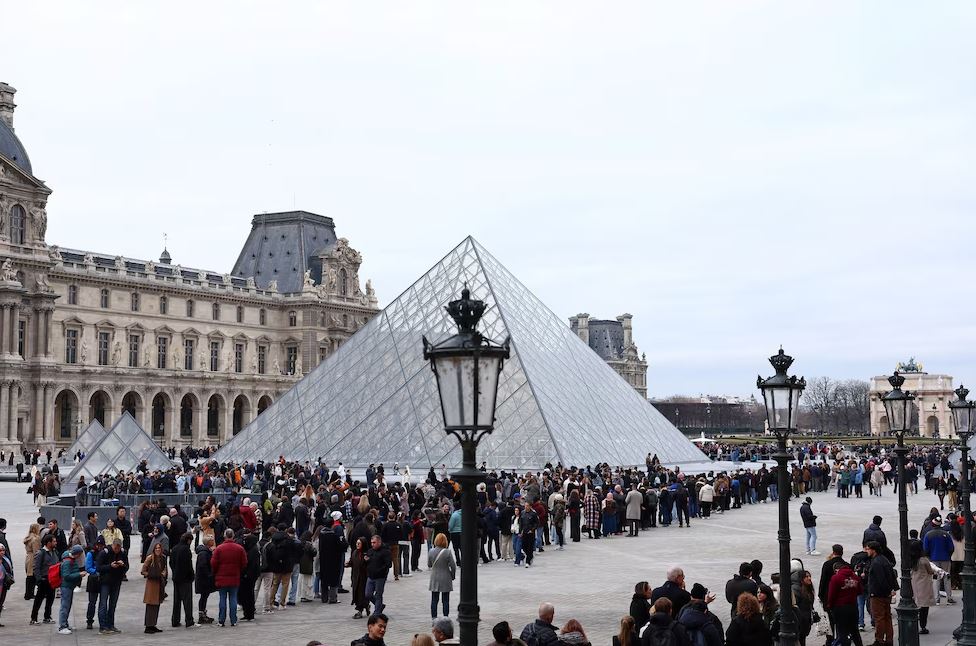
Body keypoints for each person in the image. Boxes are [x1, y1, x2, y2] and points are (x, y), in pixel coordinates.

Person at [909, 538, 947, 635]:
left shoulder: (911, 560)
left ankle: (913, 624)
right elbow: (930, 571)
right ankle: (923, 626)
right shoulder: (924, 560)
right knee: (924, 607)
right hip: (924, 584)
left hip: (914, 584)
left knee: (916, 603)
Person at [212, 527, 247, 627]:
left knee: (222, 598)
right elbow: (244, 563)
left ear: (224, 536)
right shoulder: (239, 548)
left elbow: (213, 563)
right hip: (234, 577)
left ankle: (221, 620)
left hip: (221, 577)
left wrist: (216, 572)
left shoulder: (219, 549)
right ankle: (233, 620)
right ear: (233, 536)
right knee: (233, 599)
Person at [865, 540, 897, 646]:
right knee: (887, 617)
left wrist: (886, 591)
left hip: (878, 594)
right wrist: (891, 590)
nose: (867, 551)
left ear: (873, 550)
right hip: (885, 594)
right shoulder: (884, 559)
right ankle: (888, 639)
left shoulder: (876, 562)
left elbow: (881, 579)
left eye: (868, 549)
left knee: (879, 618)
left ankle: (879, 640)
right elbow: (891, 575)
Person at [826, 561, 863, 646]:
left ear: (836, 570)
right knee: (855, 631)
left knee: (842, 631)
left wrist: (830, 606)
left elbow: (831, 595)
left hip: (840, 608)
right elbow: (860, 591)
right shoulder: (855, 577)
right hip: (853, 607)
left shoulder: (836, 578)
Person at [922, 516, 955, 605]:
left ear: (932, 524)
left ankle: (937, 598)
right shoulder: (946, 534)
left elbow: (925, 549)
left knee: (936, 578)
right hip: (946, 559)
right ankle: (949, 597)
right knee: (947, 577)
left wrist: (929, 557)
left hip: (934, 559)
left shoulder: (928, 535)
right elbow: (951, 548)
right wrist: (948, 555)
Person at [56, 544, 86, 634]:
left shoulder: (69, 558)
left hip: (69, 586)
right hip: (66, 586)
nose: (80, 556)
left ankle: (65, 624)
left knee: (67, 606)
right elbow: (66, 576)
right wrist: (79, 574)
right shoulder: (68, 562)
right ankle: (62, 626)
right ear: (76, 553)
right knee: (65, 606)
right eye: (80, 554)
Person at [30, 533, 58, 625]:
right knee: (39, 599)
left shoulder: (54, 552)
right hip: (44, 579)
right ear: (48, 543)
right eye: (54, 541)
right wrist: (39, 580)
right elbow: (36, 567)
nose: (56, 543)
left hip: (52, 580)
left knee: (50, 598)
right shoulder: (41, 553)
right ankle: (33, 618)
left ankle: (47, 617)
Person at [169, 532, 195, 628]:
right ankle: (189, 620)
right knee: (187, 601)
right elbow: (188, 565)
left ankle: (175, 620)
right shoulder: (186, 550)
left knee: (177, 600)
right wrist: (192, 575)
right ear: (188, 540)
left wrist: (174, 571)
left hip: (176, 577)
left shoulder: (175, 548)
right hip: (185, 579)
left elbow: (171, 562)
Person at [141, 542, 168, 633]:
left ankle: (153, 624)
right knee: (151, 605)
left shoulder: (163, 558)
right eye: (156, 548)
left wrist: (163, 575)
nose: (158, 550)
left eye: (159, 548)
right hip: (152, 585)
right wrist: (151, 575)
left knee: (157, 605)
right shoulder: (150, 558)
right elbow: (143, 571)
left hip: (159, 584)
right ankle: (148, 626)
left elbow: (164, 569)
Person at [428, 532, 456, 619]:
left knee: (434, 600)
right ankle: (445, 617)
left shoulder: (431, 551)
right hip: (446, 577)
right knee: (445, 600)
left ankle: (434, 618)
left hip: (435, 577)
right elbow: (453, 566)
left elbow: (429, 564)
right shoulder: (447, 552)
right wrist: (452, 575)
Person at [364, 534, 392, 615]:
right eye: (371, 543)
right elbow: (369, 561)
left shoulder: (385, 551)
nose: (372, 544)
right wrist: (366, 560)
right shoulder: (370, 551)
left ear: (379, 542)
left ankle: (377, 612)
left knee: (378, 594)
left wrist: (381, 570)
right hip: (371, 576)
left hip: (380, 577)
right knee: (368, 594)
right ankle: (380, 606)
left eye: (374, 542)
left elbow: (389, 564)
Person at [194, 535, 215, 624]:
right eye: (212, 540)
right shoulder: (204, 553)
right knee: (203, 596)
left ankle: (203, 614)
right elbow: (203, 566)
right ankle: (201, 615)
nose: (213, 541)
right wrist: (209, 575)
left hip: (203, 579)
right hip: (204, 579)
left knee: (204, 596)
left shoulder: (206, 552)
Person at [348, 536, 370, 619]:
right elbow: (352, 561)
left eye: (359, 543)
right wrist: (348, 564)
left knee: (362, 594)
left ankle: (360, 610)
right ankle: (365, 606)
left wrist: (367, 560)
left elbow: (369, 565)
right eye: (357, 543)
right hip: (355, 577)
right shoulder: (355, 553)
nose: (357, 544)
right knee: (356, 593)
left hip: (364, 578)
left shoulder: (367, 553)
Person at [22, 522, 40, 601]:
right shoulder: (35, 539)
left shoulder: (28, 537)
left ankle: (28, 593)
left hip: (28, 557)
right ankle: (30, 594)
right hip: (33, 558)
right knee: (32, 577)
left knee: (29, 576)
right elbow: (36, 551)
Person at [0, 543, 14, 628]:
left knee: (1, 603)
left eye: (3, 550)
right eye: (0, 551)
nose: (2, 552)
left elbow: (10, 571)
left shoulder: (6, 560)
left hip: (3, 585)